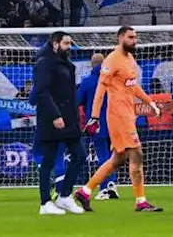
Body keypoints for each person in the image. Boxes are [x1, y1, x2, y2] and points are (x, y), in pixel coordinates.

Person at [74, 27, 163, 213]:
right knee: (137, 155)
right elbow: (100, 89)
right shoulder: (112, 60)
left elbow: (133, 86)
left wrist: (150, 102)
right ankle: (141, 201)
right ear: (120, 38)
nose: (134, 40)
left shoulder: (130, 59)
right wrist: (94, 116)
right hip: (118, 116)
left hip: (128, 114)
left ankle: (85, 191)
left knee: (117, 160)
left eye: (135, 37)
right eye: (131, 37)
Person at [31, 31, 88, 216]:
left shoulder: (66, 64)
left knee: (80, 155)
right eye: (66, 43)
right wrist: (55, 115)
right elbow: (42, 92)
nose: (69, 47)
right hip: (51, 119)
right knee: (48, 160)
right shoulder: (44, 63)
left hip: (69, 119)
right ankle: (45, 202)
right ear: (55, 44)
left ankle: (64, 195)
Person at [76, 53, 118, 200]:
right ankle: (112, 183)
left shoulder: (87, 82)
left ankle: (105, 188)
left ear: (91, 65)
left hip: (97, 123)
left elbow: (78, 101)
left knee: (102, 155)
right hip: (115, 122)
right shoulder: (113, 79)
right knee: (113, 154)